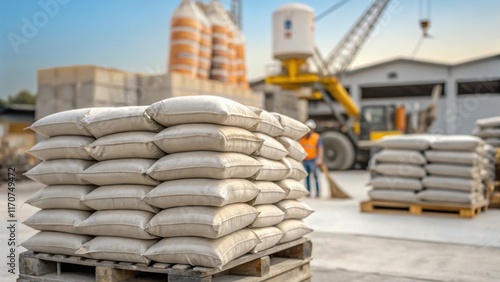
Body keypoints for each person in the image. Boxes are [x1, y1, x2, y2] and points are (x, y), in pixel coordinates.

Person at [299, 119, 323, 197]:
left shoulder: (316, 137)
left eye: (310, 128)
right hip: (306, 160)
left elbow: (320, 148)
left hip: (314, 160)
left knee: (315, 176)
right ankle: (308, 192)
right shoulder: (302, 138)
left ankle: (318, 193)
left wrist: (319, 159)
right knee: (307, 177)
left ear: (312, 129)